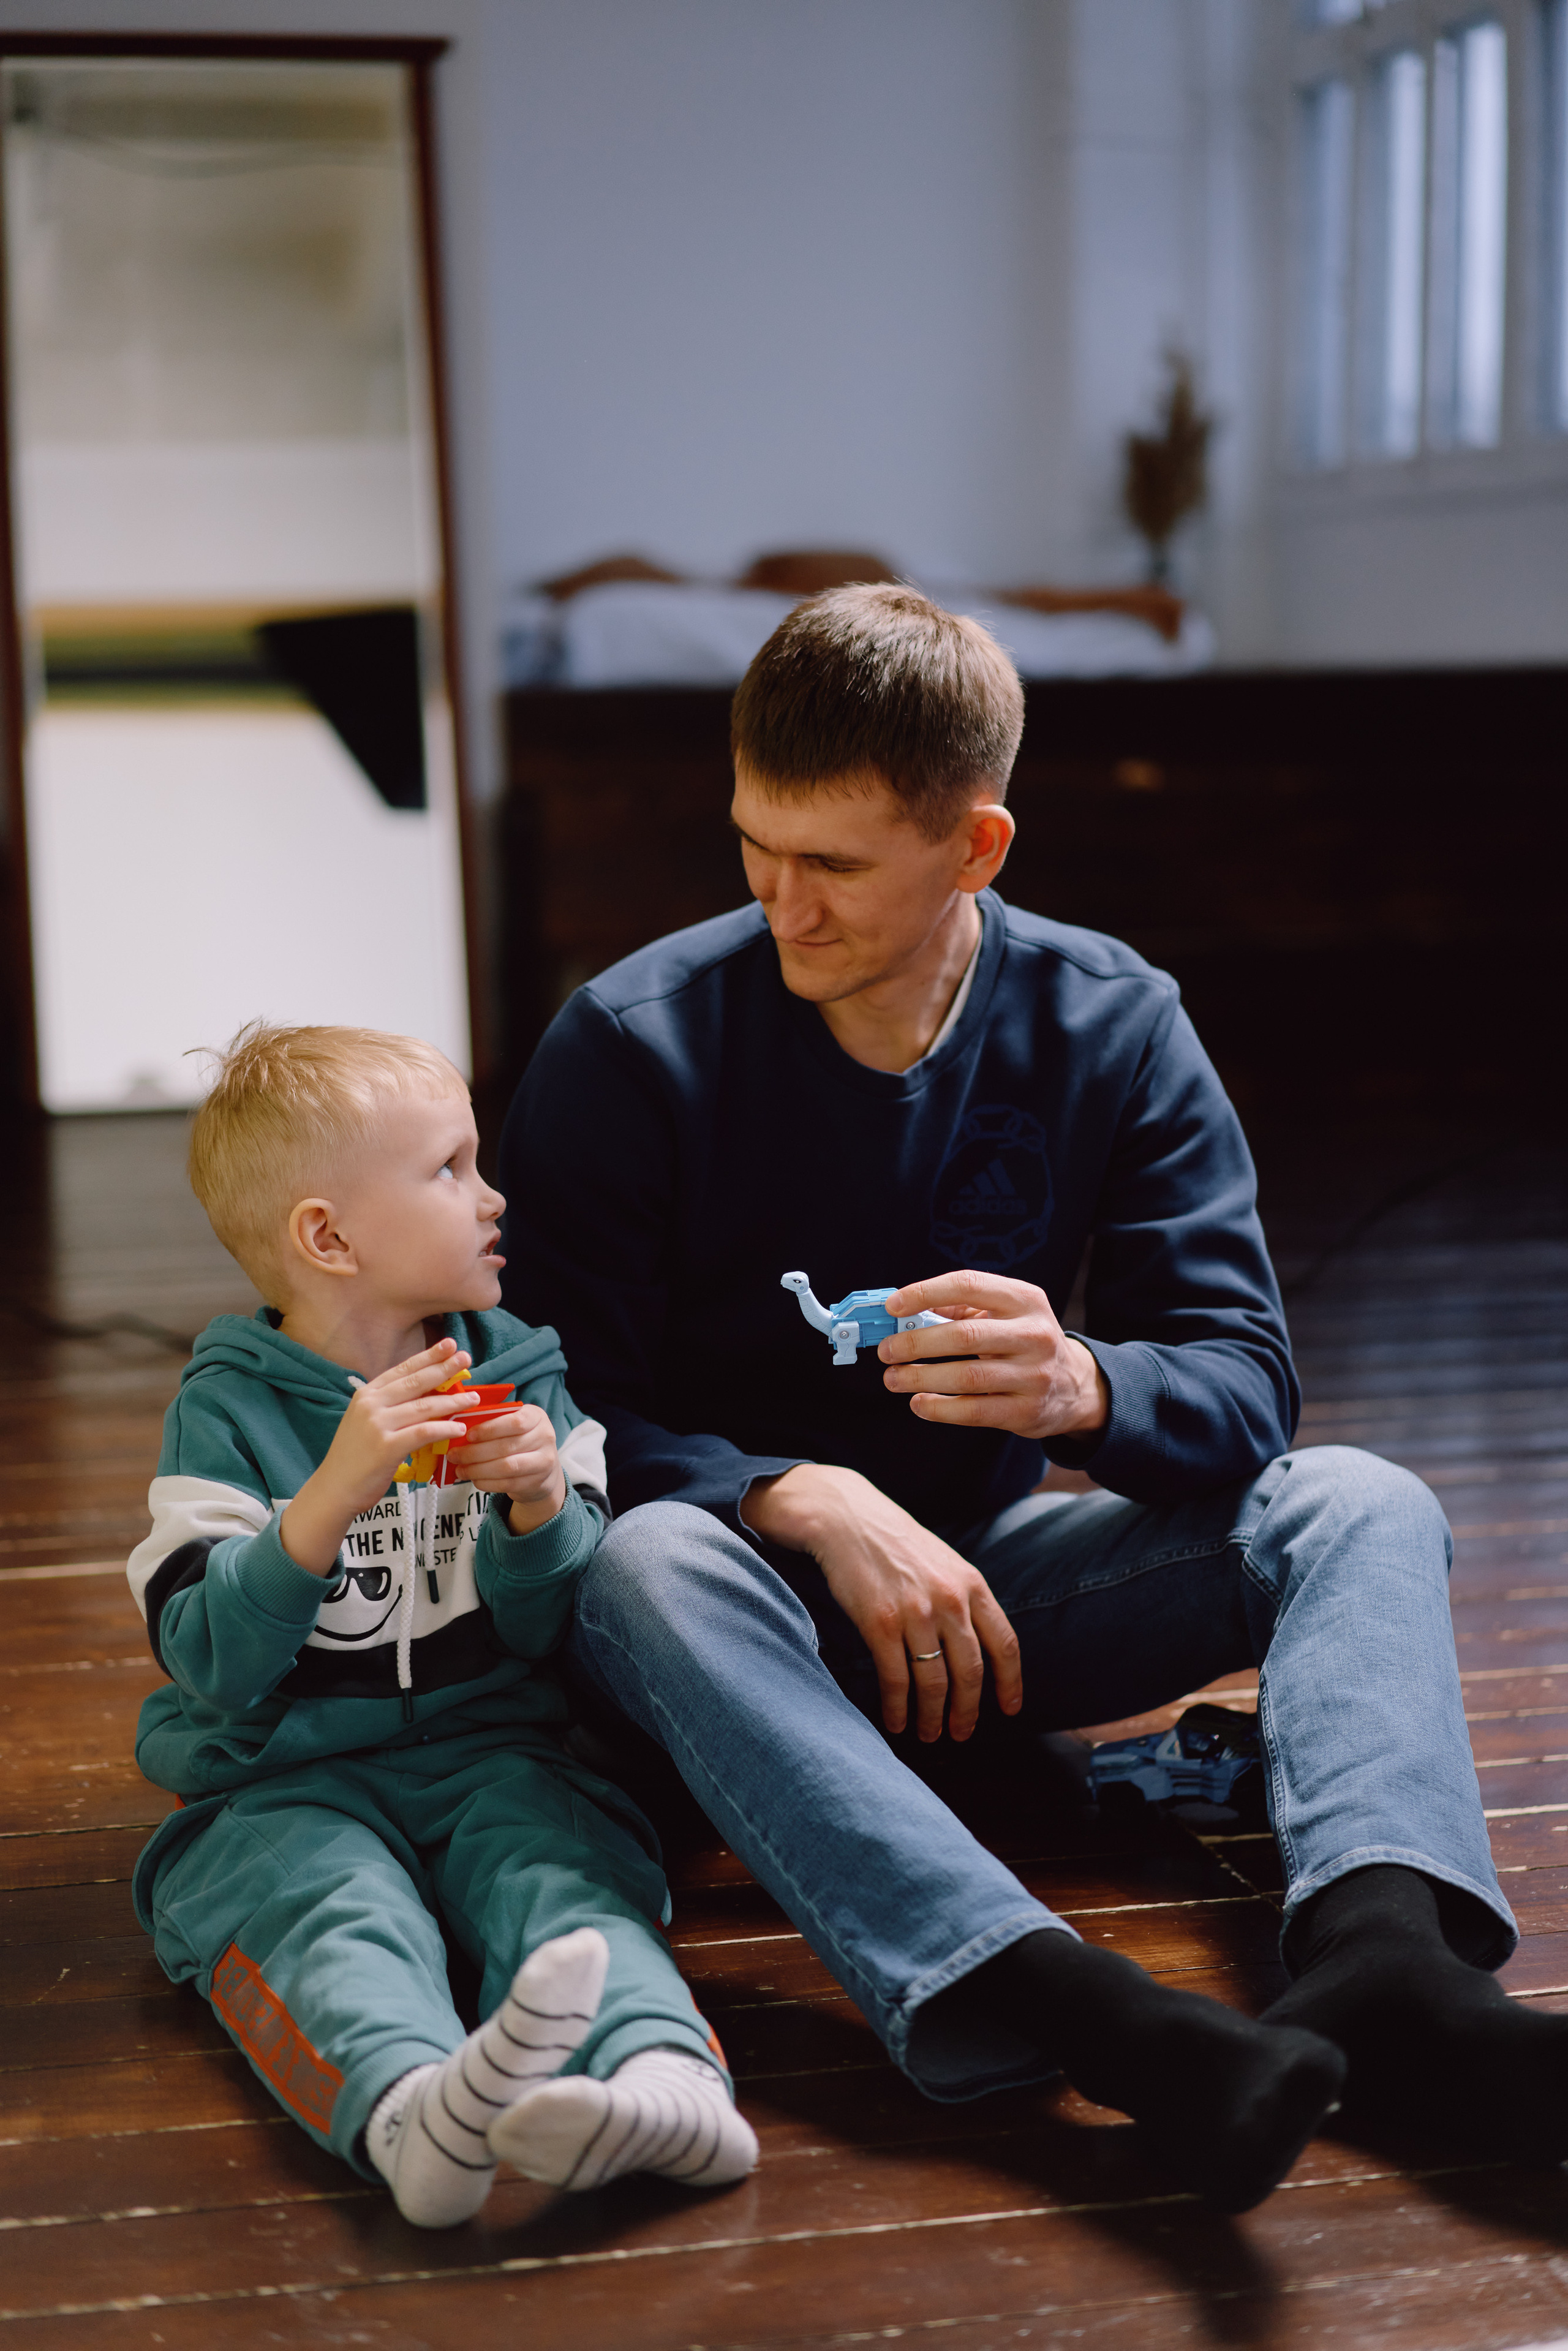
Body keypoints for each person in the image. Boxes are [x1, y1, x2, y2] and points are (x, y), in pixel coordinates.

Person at [500, 584, 1568, 2211]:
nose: (782, 906)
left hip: (977, 1617)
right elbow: (557, 1415)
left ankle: (1390, 1966)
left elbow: (1242, 1383)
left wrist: (1082, 1381)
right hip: (709, 1636)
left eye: (837, 866)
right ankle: (1062, 2000)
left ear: (978, 848)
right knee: (649, 1554)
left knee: (1365, 1498)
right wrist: (790, 1489)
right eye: (752, 846)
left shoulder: (1115, 1020)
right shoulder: (627, 1044)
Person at [126, 1023, 757, 2229]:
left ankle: (665, 2082)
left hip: (496, 1746)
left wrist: (533, 1504)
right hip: (283, 1778)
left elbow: (549, 1627)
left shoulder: (520, 1372)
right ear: (328, 1236)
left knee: (563, 1876)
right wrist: (326, 1497)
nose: (492, 1194)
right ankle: (413, 2109)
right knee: (319, 1904)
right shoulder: (229, 1415)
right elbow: (211, 1658)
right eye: (450, 1168)